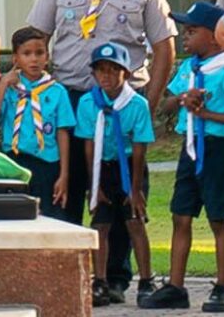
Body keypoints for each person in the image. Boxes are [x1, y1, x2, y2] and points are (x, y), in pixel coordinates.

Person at [27, 0, 174, 293]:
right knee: (69, 184)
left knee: (121, 186)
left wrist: (148, 102)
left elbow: (164, 46)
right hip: (72, 96)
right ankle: (71, 275)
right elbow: (36, 35)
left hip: (124, 100)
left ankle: (116, 277)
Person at [147, 6, 224, 312]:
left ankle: (223, 287)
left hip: (215, 148)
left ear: (214, 36)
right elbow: (167, 106)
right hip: (189, 148)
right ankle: (176, 286)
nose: (185, 37)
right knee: (180, 215)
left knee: (217, 217)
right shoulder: (189, 67)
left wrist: (206, 113)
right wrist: (182, 99)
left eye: (192, 31)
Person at [78, 42, 158, 309]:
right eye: (101, 70)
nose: (107, 76)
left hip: (131, 167)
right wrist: (94, 185)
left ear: (126, 73)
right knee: (100, 224)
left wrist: (135, 188)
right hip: (102, 167)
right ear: (93, 74)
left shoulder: (137, 104)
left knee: (135, 221)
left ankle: (146, 280)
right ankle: (100, 281)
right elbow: (89, 145)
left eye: (114, 70)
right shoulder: (88, 103)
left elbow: (140, 146)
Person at [0, 26, 73, 219]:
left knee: (48, 217)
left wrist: (64, 174)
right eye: (26, 54)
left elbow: (62, 133)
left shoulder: (57, 91)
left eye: (39, 53)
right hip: (15, 162)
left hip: (47, 164)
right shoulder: (10, 89)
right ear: (15, 59)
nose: (34, 59)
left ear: (47, 57)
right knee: (15, 218)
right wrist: (3, 83)